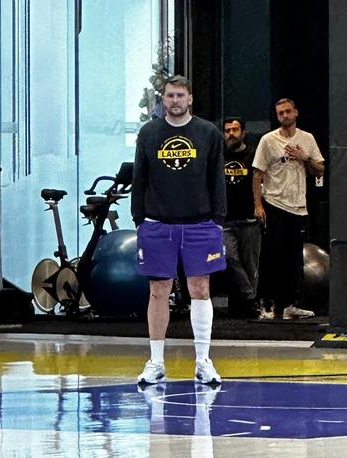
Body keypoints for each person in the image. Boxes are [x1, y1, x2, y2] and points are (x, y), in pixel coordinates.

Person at [132, 74, 226, 385]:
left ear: (190, 99)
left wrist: (218, 219)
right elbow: (139, 177)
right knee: (158, 290)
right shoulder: (149, 133)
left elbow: (216, 177)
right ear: (163, 99)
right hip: (158, 223)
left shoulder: (208, 133)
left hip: (200, 223)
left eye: (180, 95)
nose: (175, 101)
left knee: (200, 289)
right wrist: (139, 218)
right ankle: (156, 361)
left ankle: (203, 361)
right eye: (170, 95)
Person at [253, 98, 325, 320]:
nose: (284, 115)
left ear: (296, 112)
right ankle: (267, 304)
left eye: (287, 111)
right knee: (272, 256)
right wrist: (258, 205)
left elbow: (319, 170)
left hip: (298, 206)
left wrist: (305, 158)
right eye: (280, 113)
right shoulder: (268, 140)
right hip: (274, 203)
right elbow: (257, 173)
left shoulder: (307, 139)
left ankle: (290, 305)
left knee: (294, 259)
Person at [220, 117, 261, 318]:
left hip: (249, 218)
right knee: (228, 258)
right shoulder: (218, 156)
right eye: (227, 130)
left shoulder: (253, 154)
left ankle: (244, 307)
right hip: (225, 219)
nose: (231, 134)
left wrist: (259, 206)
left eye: (235, 130)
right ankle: (249, 297)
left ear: (243, 133)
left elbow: (260, 181)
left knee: (250, 265)